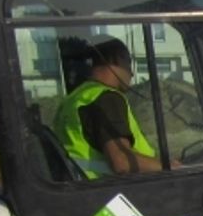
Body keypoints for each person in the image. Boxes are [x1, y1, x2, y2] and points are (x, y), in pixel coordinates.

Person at [53, 37, 163, 178]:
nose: (132, 74)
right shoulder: (106, 98)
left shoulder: (75, 98)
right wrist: (168, 166)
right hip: (113, 190)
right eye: (129, 64)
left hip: (85, 188)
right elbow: (122, 162)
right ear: (117, 61)